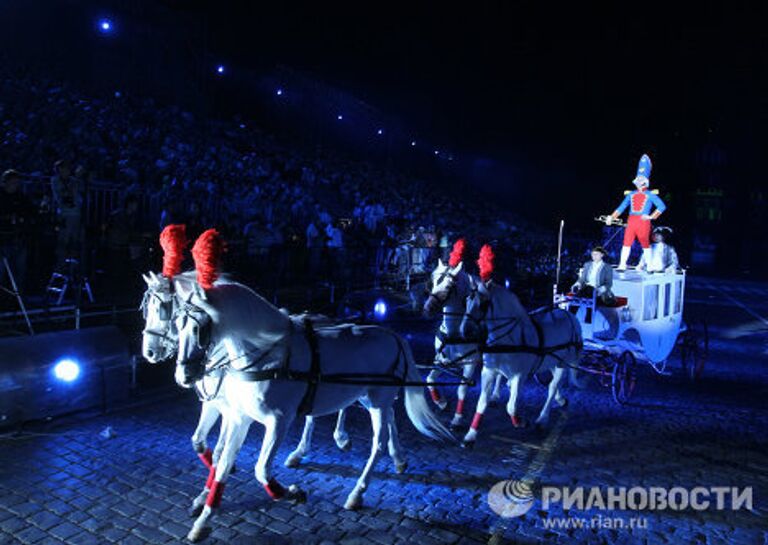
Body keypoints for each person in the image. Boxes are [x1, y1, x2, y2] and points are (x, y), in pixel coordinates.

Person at [605, 154, 666, 270]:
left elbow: (662, 206)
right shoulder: (631, 194)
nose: (639, 180)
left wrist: (650, 217)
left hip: (643, 221)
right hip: (631, 220)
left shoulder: (650, 194)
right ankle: (622, 264)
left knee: (645, 243)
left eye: (642, 179)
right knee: (626, 242)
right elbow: (621, 207)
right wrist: (611, 217)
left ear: (646, 181)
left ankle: (649, 266)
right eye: (638, 178)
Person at [0, 170, 35, 295]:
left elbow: (30, 212)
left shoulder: (21, 197)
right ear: (5, 182)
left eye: (17, 182)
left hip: (18, 238)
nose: (15, 185)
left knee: (20, 269)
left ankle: (18, 296)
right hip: (3, 239)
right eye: (12, 182)